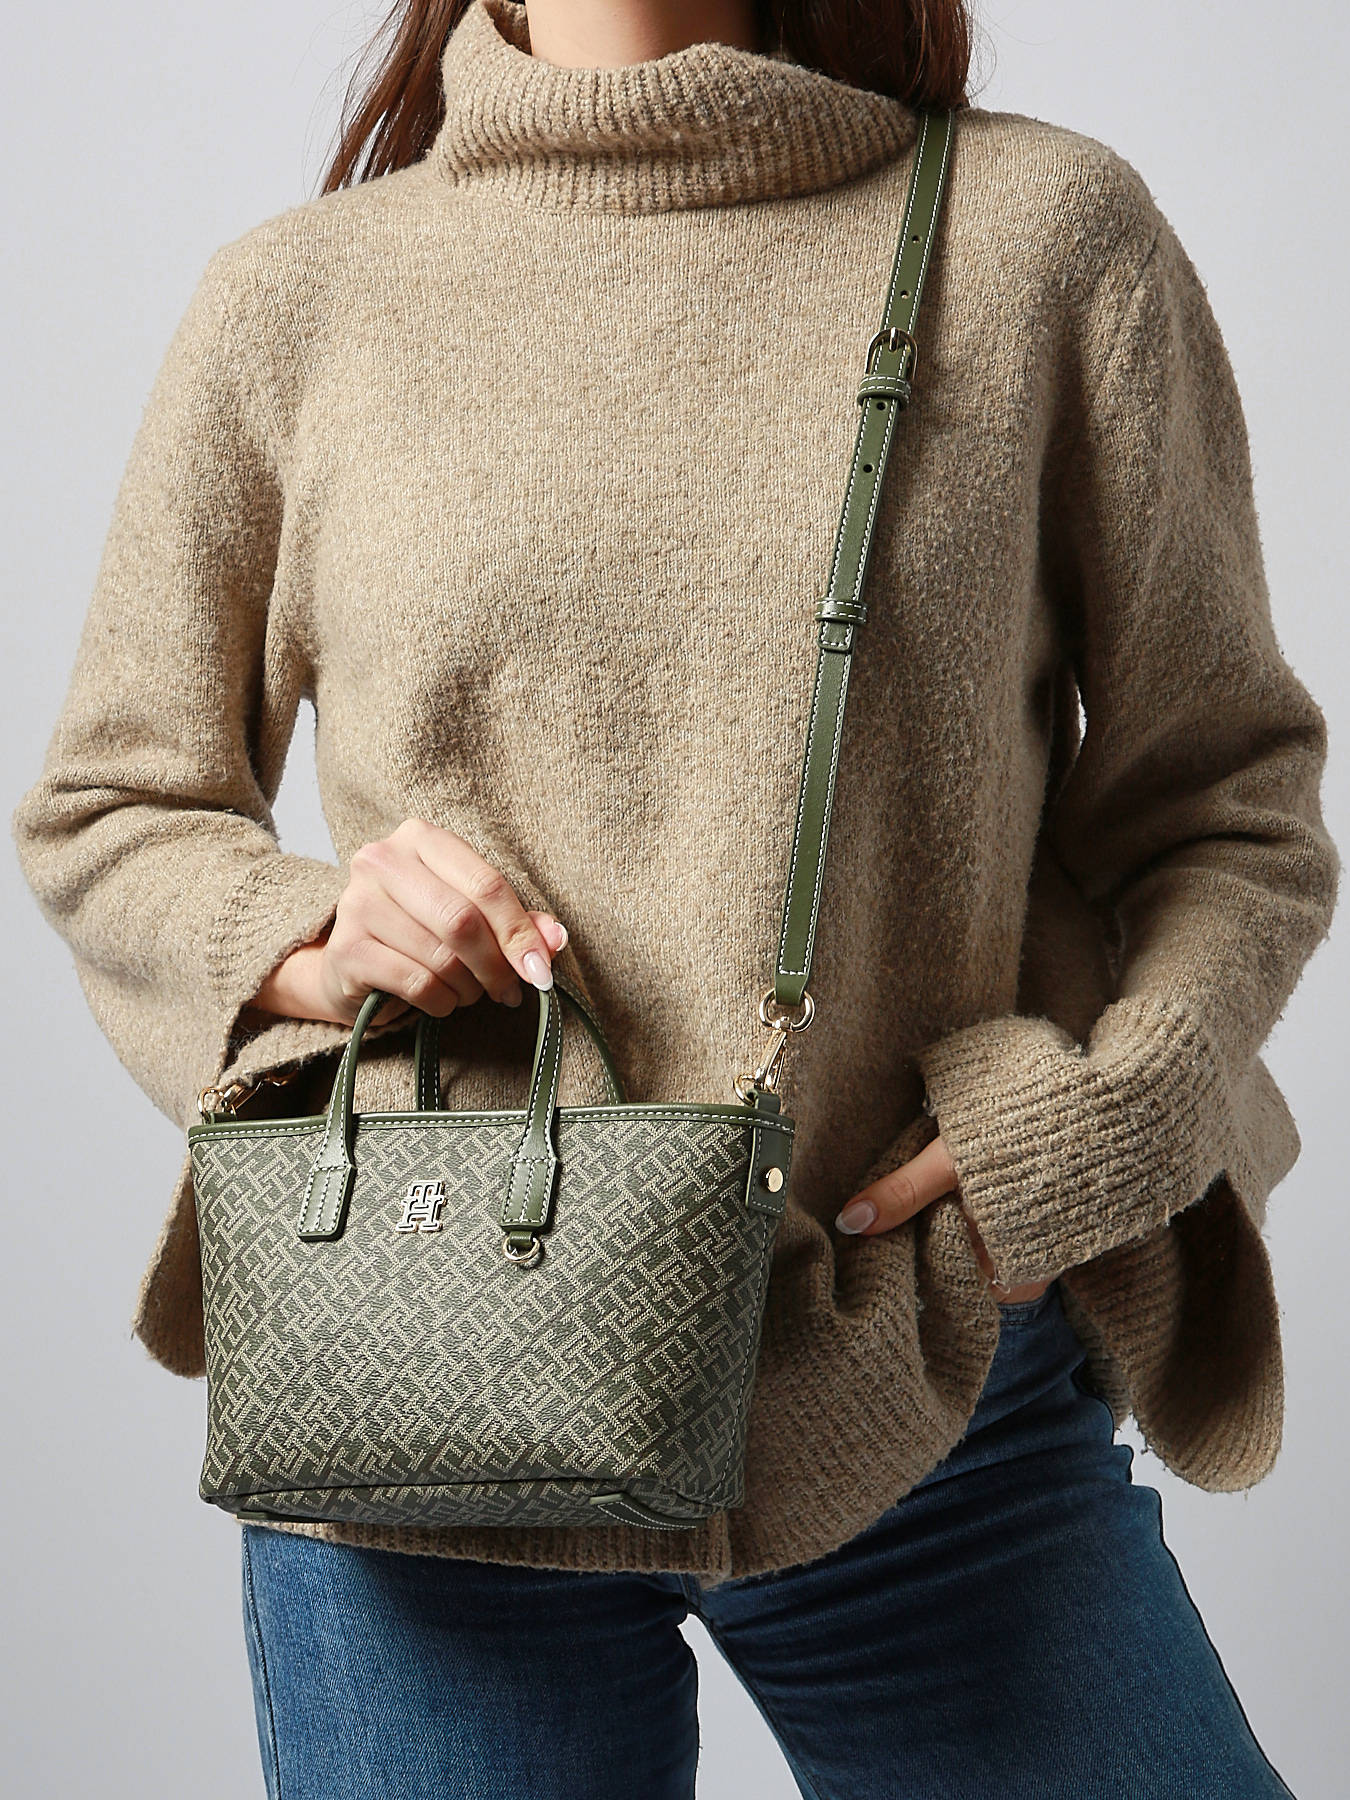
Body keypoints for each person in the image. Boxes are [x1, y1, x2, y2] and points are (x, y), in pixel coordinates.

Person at [12, 0, 1337, 1793]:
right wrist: (313, 940)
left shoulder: (1039, 239)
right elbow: (113, 805)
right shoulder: (299, 299)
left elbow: (1226, 797)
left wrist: (1102, 1123)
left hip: (918, 1376)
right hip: (424, 1403)